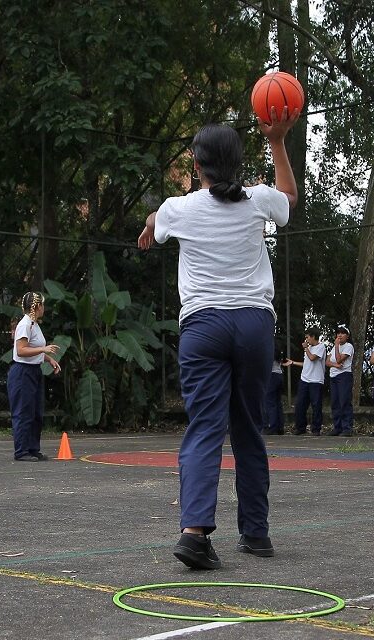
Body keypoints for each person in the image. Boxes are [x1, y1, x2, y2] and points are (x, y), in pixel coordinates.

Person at [137, 106, 299, 569]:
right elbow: (289, 196)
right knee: (248, 426)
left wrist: (149, 226)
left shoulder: (178, 210)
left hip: (203, 328)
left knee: (205, 427)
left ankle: (194, 534)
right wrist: (278, 140)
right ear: (239, 163)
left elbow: (158, 218)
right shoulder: (257, 200)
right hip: (253, 325)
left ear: (194, 164)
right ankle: (257, 534)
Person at [8, 292, 62, 462]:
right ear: (37, 307)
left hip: (34, 371)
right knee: (23, 412)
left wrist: (49, 359)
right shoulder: (25, 325)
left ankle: (33, 448)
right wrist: (43, 350)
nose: (44, 308)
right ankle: (21, 451)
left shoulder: (35, 325)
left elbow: (35, 348)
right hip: (22, 372)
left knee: (35, 412)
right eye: (42, 305)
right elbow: (21, 350)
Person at [283, 329, 327, 435]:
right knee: (300, 404)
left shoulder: (321, 347)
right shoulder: (309, 348)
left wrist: (306, 348)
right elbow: (307, 363)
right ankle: (300, 427)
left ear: (313, 337)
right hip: (305, 379)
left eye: (307, 337)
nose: (306, 339)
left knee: (316, 405)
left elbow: (312, 358)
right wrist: (293, 362)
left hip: (316, 380)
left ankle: (316, 429)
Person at [325, 325, 354, 436]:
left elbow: (339, 359)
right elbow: (327, 362)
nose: (339, 335)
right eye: (338, 333)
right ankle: (337, 427)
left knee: (344, 401)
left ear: (347, 335)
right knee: (335, 402)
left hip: (344, 376)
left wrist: (337, 346)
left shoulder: (348, 346)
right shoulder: (333, 348)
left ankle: (347, 428)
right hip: (334, 377)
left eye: (342, 333)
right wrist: (335, 365)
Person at [263, 340, 285, 435]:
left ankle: (272, 426)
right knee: (277, 402)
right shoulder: (278, 354)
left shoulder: (269, 352)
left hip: (271, 376)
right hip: (279, 375)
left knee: (270, 402)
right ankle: (280, 426)